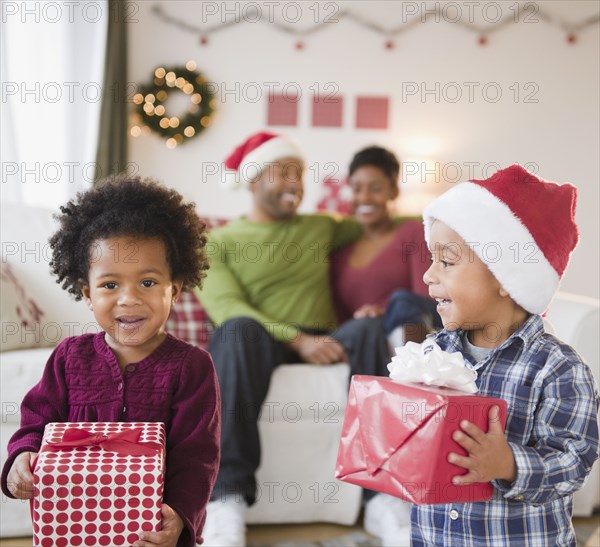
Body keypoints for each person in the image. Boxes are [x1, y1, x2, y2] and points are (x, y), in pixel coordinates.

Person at [0, 176, 221, 547]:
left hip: (148, 532)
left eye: (148, 283)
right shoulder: (69, 357)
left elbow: (197, 458)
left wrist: (180, 518)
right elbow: (35, 422)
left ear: (175, 290)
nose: (128, 299)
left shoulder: (192, 367)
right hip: (73, 526)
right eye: (110, 285)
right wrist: (21, 459)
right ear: (87, 293)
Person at [198, 131, 390, 547]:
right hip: (258, 342)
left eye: (299, 174)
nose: (294, 185)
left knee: (373, 328)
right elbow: (228, 307)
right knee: (235, 331)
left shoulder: (321, 227)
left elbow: (385, 225)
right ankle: (224, 499)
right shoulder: (218, 242)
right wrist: (297, 340)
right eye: (281, 173)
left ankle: (381, 497)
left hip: (327, 338)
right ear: (252, 181)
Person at [408, 164, 599, 545]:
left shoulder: (558, 368)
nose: (429, 275)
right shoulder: (432, 353)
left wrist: (508, 464)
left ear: (505, 278)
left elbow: (574, 462)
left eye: (446, 261)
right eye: (432, 259)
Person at [331, 145, 441, 346]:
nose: (364, 197)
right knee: (365, 327)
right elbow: (341, 319)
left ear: (393, 191)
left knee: (402, 300)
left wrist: (384, 312)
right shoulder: (340, 252)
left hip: (401, 327)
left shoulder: (413, 233)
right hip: (360, 338)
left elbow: (425, 300)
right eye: (357, 189)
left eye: (375, 189)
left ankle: (410, 366)